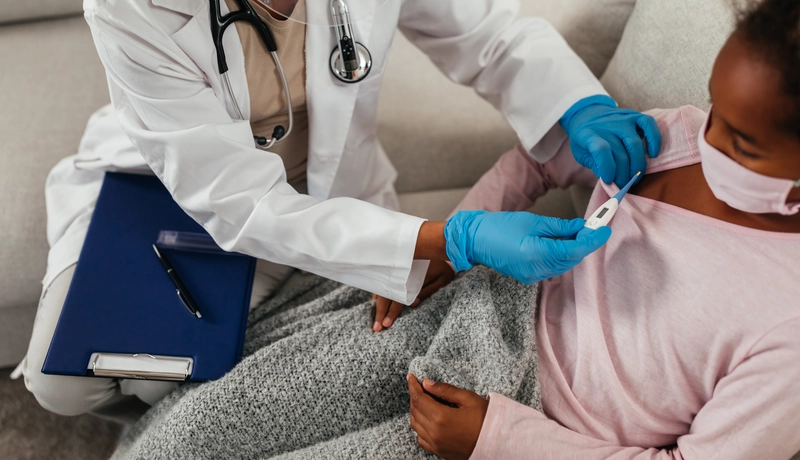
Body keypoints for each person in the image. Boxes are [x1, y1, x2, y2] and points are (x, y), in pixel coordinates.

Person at [19, 0, 661, 420]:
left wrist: (579, 105)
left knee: (169, 376)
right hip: (169, 183)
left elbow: (487, 33)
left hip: (314, 191)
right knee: (66, 382)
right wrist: (452, 238)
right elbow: (239, 202)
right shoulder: (129, 6)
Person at [405, 0, 800, 458]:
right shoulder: (676, 140)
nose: (708, 140)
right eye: (716, 108)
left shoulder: (788, 333)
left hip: (532, 428)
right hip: (481, 310)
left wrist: (497, 441)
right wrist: (452, 239)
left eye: (743, 146)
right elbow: (542, 162)